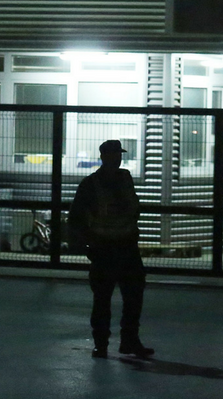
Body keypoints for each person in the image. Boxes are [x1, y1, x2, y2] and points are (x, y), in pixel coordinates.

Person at [69, 139, 154, 359]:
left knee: (128, 297)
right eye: (115, 154)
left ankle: (121, 342)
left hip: (121, 248)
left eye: (119, 154)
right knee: (106, 300)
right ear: (105, 157)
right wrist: (88, 244)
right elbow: (77, 218)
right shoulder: (93, 184)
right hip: (107, 249)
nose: (118, 158)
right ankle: (109, 343)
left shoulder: (120, 179)